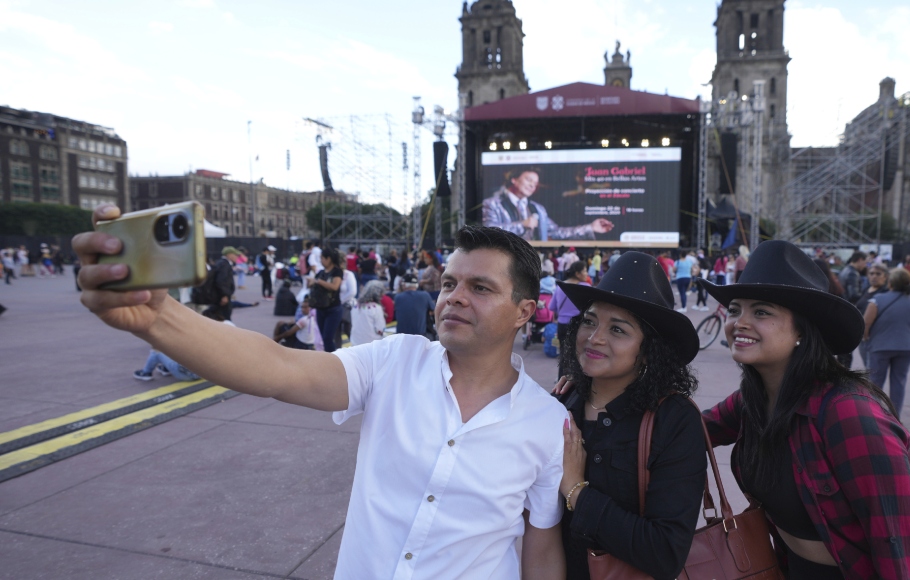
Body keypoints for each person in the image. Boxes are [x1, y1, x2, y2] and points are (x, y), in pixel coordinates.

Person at [75, 212, 570, 579]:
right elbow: (278, 368)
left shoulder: (548, 424)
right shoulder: (393, 361)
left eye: (480, 288)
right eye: (448, 282)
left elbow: (541, 547)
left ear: (525, 312)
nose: (454, 297)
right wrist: (157, 317)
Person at [695, 240, 910, 579]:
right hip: (788, 567)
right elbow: (691, 430)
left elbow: (901, 548)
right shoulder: (754, 398)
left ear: (802, 329)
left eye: (762, 311)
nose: (740, 322)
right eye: (735, 309)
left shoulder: (850, 413)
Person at [552, 251, 707, 578]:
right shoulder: (561, 403)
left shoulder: (673, 420)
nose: (595, 338)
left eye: (618, 330)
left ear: (649, 350)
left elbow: (665, 552)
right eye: (590, 321)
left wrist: (577, 491)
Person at [863, 269, 910, 415]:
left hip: (880, 346)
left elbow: (865, 325)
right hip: (908, 347)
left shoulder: (877, 301)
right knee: (899, 381)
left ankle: (873, 414)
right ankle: (895, 415)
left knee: (875, 382)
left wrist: (867, 338)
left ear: (890, 282)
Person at [483, 167, 615, 241]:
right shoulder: (493, 203)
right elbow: (489, 232)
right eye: (528, 180)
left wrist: (590, 227)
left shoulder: (537, 208)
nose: (532, 185)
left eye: (535, 184)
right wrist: (522, 225)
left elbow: (557, 232)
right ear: (514, 179)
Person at [854, 263, 890, 369]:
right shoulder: (867, 289)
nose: (874, 276)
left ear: (885, 276)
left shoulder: (885, 293)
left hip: (874, 336)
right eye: (872, 273)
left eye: (878, 274)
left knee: (873, 369)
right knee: (867, 366)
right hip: (862, 335)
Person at [309, 247, 344, 353]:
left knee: (328, 338)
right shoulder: (320, 272)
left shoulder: (337, 272)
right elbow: (312, 284)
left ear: (329, 259)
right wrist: (311, 282)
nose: (321, 261)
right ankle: (330, 357)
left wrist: (319, 282)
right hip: (320, 308)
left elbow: (334, 287)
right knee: (324, 338)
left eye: (322, 258)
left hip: (333, 309)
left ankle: (333, 359)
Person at [394, 272, 435, 337]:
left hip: (401, 337)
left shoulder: (398, 297)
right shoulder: (425, 295)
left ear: (404, 285)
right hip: (420, 335)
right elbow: (433, 311)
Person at [549, 261, 589, 327]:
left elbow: (551, 307)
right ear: (577, 274)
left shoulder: (559, 287)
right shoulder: (585, 287)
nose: (587, 274)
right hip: (577, 325)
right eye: (585, 271)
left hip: (562, 324)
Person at [350, 281, 387, 346]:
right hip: (371, 343)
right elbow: (380, 329)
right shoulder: (376, 307)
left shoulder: (355, 305)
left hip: (355, 341)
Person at [209, 246, 239, 321]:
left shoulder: (220, 263)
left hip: (218, 295)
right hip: (222, 297)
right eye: (235, 255)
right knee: (225, 317)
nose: (237, 257)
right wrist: (224, 295)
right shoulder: (224, 265)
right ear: (229, 255)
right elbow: (221, 281)